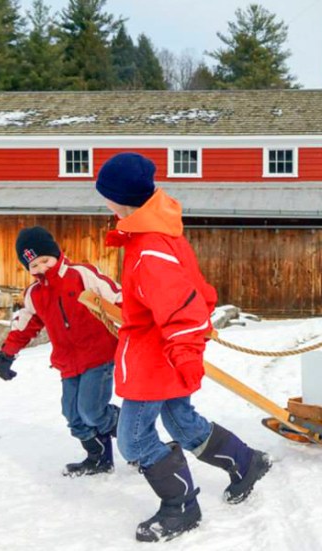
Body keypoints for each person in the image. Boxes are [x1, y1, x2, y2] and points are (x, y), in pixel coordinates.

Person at [95, 152, 272, 542]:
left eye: (105, 195)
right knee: (181, 422)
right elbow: (186, 292)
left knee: (134, 439)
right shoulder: (154, 234)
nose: (102, 201)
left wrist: (186, 353)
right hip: (161, 349)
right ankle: (246, 462)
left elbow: (181, 306)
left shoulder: (149, 248)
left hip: (156, 357)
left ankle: (181, 507)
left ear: (120, 199)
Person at [0, 226, 123, 476]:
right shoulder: (35, 294)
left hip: (99, 356)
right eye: (34, 266)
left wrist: (143, 328)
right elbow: (25, 325)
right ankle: (98, 458)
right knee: (73, 415)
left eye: (45, 260)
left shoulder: (82, 274)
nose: (42, 268)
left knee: (92, 411)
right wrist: (7, 355)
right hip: (68, 362)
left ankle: (133, 433)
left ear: (56, 254)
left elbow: (119, 298)